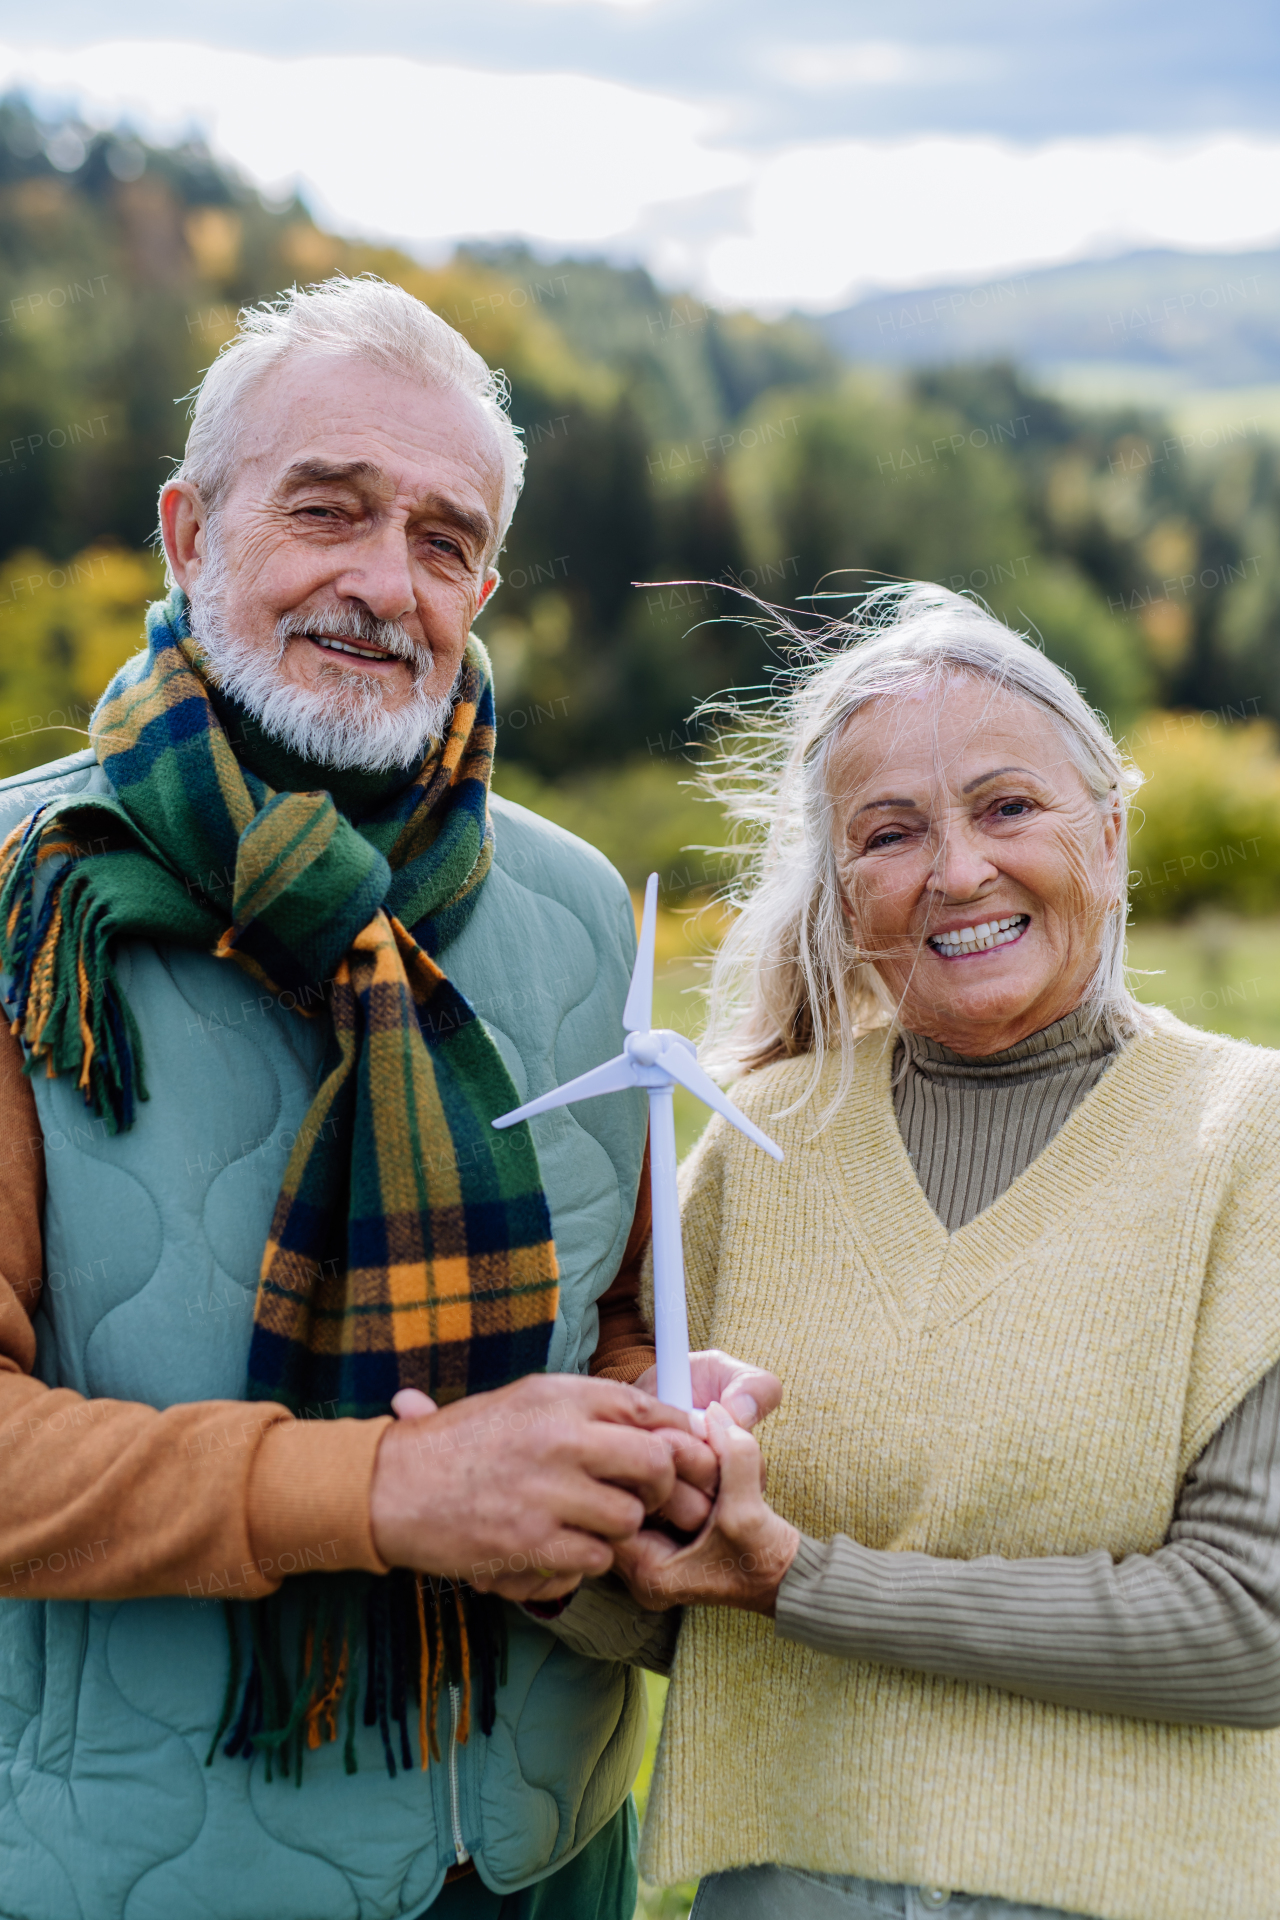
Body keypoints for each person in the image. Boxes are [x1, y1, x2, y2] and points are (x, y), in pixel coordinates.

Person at [0, 272, 763, 1920]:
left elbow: (622, 1309)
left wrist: (668, 1430)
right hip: (142, 1875)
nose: (381, 582)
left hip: (543, 1851)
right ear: (187, 529)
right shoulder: (22, 906)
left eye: (439, 538)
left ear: (483, 580)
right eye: (327, 510)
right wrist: (383, 1495)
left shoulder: (576, 918)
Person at [613, 585, 1280, 1920]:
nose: (958, 869)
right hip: (784, 1888)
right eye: (891, 833)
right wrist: (538, 1534)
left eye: (1007, 807)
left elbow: (1244, 1628)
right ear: (844, 890)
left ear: (1108, 826)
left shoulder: (1248, 1138)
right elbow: (659, 1581)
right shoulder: (759, 1147)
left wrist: (808, 1583)